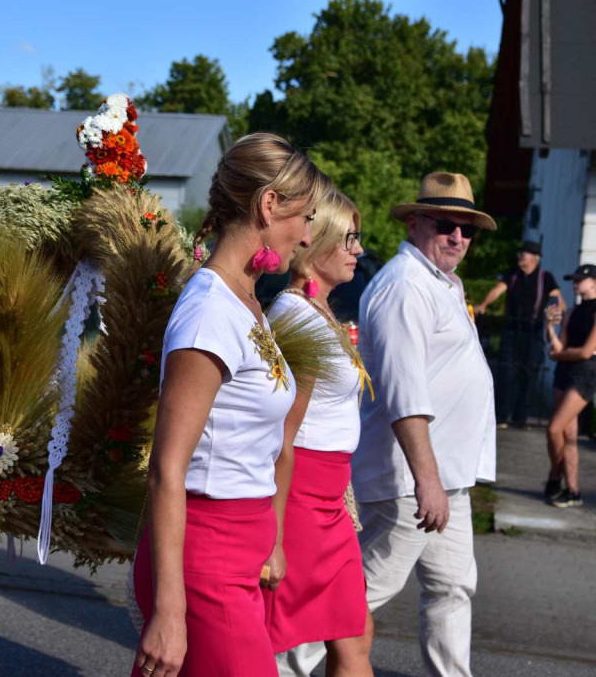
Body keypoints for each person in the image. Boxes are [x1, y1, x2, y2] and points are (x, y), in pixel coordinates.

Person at [131, 132, 332, 677]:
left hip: (241, 546)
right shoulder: (209, 311)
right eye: (305, 216)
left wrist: (270, 539)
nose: (308, 236)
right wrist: (170, 610)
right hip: (205, 556)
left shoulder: (247, 303)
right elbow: (167, 468)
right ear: (269, 205)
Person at [352, 172, 496, 677]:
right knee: (360, 593)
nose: (457, 237)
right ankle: (281, 667)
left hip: (442, 477)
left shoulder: (442, 282)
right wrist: (426, 480)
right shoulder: (404, 285)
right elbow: (404, 393)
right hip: (410, 479)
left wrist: (440, 480)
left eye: (467, 229)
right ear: (415, 222)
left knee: (453, 588)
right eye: (444, 224)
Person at [263, 192, 373, 677]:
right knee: (275, 641)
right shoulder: (294, 316)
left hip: (331, 495)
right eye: (349, 238)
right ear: (317, 243)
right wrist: (275, 535)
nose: (358, 250)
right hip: (302, 496)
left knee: (355, 634)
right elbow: (281, 434)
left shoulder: (318, 311)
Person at [477, 240, 564, 429]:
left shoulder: (545, 278)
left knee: (528, 373)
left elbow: (557, 300)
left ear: (534, 258)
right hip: (512, 329)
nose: (520, 257)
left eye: (524, 254)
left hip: (533, 331)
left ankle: (520, 418)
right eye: (520, 254)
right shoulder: (513, 275)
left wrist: (554, 312)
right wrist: (484, 304)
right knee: (507, 372)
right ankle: (501, 416)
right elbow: (498, 290)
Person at [543, 264, 596, 508]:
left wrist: (561, 355)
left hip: (585, 374)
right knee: (568, 435)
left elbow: (586, 352)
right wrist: (548, 327)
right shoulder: (573, 311)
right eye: (573, 279)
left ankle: (555, 476)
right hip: (565, 371)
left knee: (554, 428)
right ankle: (572, 490)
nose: (575, 283)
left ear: (593, 282)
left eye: (580, 280)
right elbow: (557, 346)